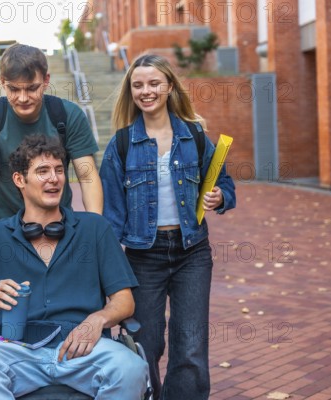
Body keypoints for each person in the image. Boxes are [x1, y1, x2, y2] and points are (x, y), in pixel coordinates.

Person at [0, 135, 148, 399]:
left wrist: (98, 319)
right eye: (42, 171)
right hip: (16, 350)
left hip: (83, 350)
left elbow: (124, 301)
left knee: (131, 368)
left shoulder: (95, 229)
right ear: (20, 180)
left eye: (58, 170)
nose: (54, 178)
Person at [99, 54, 236, 399]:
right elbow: (111, 217)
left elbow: (226, 184)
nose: (146, 91)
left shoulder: (194, 136)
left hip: (193, 253)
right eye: (138, 85)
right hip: (143, 256)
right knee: (144, 343)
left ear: (169, 86)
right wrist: (105, 269)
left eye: (154, 83)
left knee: (190, 345)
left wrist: (220, 196)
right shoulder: (121, 145)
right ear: (131, 91)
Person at [0, 43, 103, 227]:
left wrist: (95, 229)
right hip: (5, 228)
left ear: (46, 81)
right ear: (2, 82)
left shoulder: (68, 115)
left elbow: (87, 176)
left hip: (60, 228)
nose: (23, 98)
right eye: (14, 89)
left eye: (31, 88)